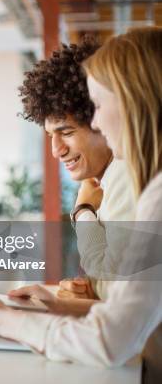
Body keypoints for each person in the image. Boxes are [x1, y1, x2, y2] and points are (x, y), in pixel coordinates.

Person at [0, 27, 161, 383]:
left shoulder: (147, 186)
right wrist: (57, 305)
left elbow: (112, 337)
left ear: (133, 102)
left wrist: (3, 320)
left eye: (97, 107)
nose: (96, 119)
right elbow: (128, 309)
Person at [19, 40, 136, 300]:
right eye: (50, 135)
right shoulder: (107, 181)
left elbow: (112, 289)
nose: (56, 149)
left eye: (67, 132)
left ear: (101, 120)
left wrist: (83, 212)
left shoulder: (126, 173)